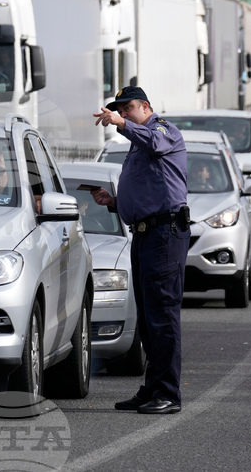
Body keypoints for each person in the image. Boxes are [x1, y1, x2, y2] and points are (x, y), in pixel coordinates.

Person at [92, 86, 189, 415]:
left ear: (145, 106)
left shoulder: (162, 130)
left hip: (165, 234)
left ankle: (168, 393)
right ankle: (152, 388)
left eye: (128, 107)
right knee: (148, 319)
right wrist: (115, 202)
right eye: (118, 109)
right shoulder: (137, 142)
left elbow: (158, 143)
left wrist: (121, 124)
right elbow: (149, 191)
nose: (122, 113)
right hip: (146, 235)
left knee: (162, 316)